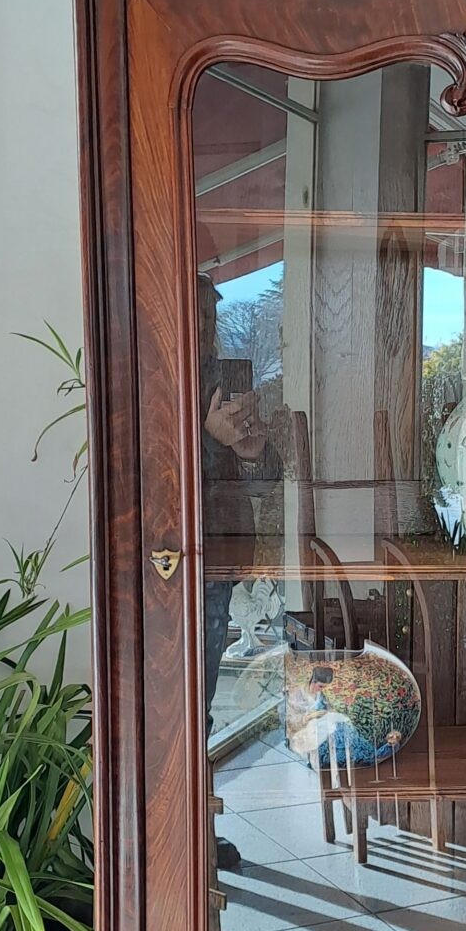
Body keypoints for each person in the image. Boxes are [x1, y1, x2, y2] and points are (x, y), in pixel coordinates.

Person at [198, 274, 280, 871]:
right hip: (170, 563)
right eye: (197, 314)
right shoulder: (157, 382)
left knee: (201, 700)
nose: (205, 327)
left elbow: (266, 478)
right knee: (173, 707)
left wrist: (249, 452)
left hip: (221, 556)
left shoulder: (223, 381)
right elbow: (158, 473)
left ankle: (199, 833)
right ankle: (183, 839)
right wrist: (207, 438)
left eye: (210, 316)